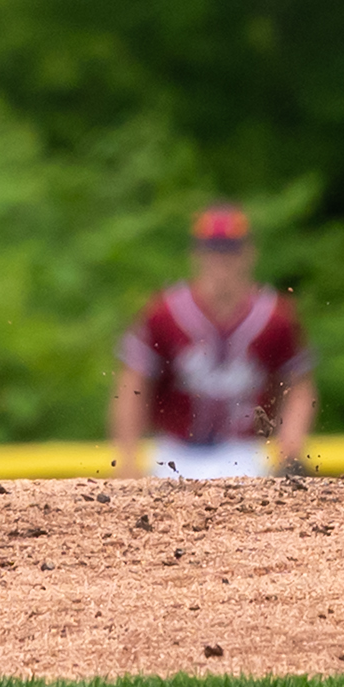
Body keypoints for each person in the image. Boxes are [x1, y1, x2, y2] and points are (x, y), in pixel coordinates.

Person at [110, 204, 317, 480]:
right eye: (213, 250)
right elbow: (131, 386)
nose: (221, 259)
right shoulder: (164, 313)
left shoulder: (276, 318)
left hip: (245, 454)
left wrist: (290, 447)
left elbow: (298, 388)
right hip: (174, 453)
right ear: (196, 253)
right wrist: (127, 458)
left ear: (249, 253)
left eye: (230, 250)